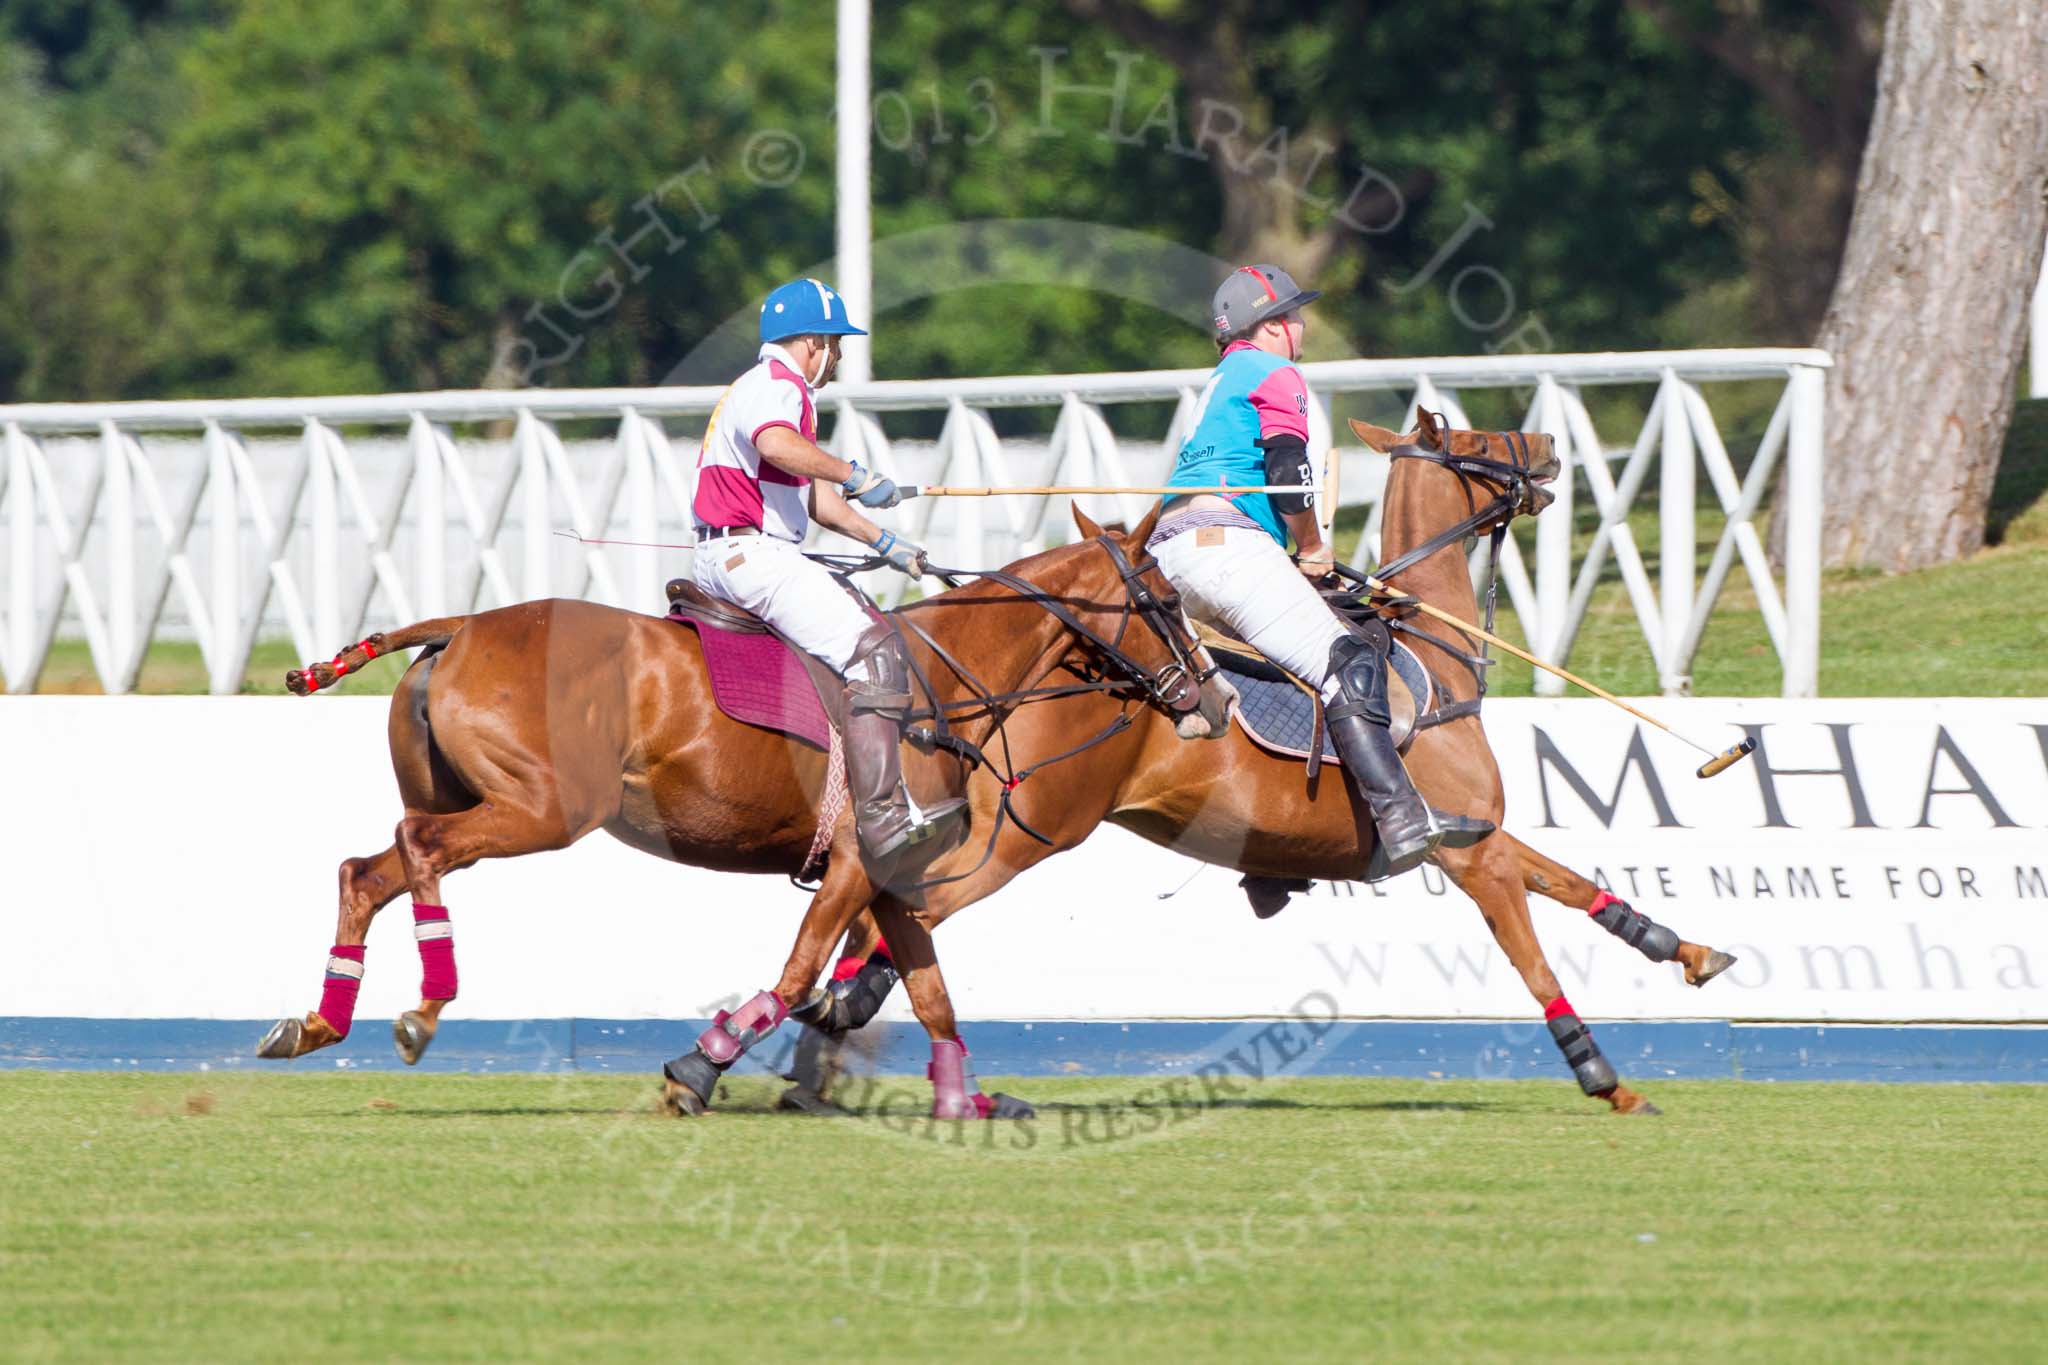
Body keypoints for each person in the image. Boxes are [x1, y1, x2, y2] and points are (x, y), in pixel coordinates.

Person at [1147, 265, 1487, 874]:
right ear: (1271, 325)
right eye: (1295, 315)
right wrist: (1311, 549)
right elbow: (1286, 476)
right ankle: (1403, 815)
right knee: (1346, 662)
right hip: (1228, 549)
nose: (1303, 326)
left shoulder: (1223, 378)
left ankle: (1275, 861)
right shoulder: (1278, 372)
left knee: (1279, 671)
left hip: (1170, 556)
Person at [692, 277, 965, 871]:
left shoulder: (761, 387)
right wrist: (854, 472)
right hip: (752, 557)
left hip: (735, 554)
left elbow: (816, 501)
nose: (838, 358)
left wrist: (890, 544)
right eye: (836, 345)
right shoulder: (778, 387)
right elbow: (776, 446)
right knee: (877, 652)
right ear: (813, 341)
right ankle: (884, 814)